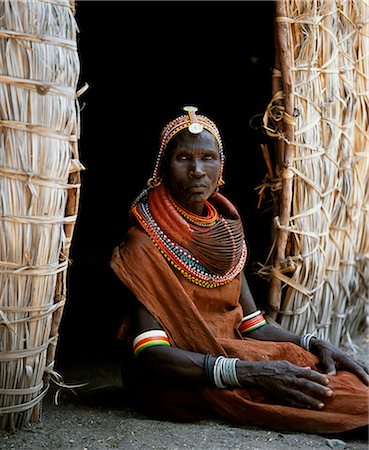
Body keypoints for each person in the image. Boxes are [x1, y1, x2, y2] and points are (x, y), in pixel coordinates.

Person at [111, 106, 369, 434]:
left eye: (208, 157)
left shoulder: (226, 234)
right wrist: (251, 373)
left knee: (322, 369)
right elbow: (152, 353)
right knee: (337, 401)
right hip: (174, 381)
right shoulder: (143, 244)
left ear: (221, 168)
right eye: (183, 159)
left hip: (234, 357)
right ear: (162, 168)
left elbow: (254, 326)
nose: (197, 171)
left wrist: (313, 343)